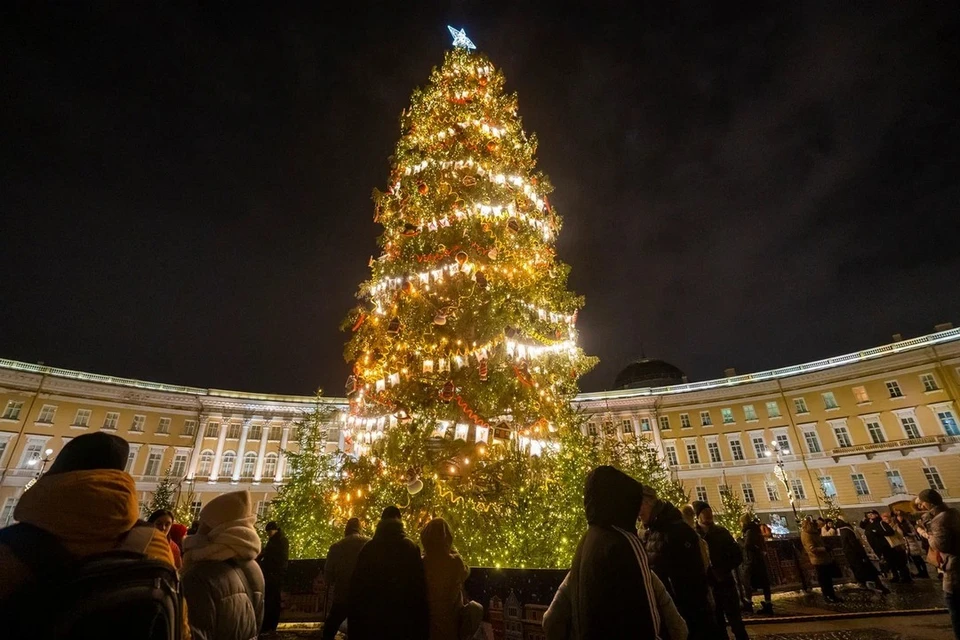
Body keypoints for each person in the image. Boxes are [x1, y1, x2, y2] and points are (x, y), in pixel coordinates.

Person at [0, 432, 187, 638]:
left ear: (59, 471)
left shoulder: (10, 546)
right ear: (118, 474)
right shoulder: (152, 542)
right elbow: (179, 626)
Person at [542, 466, 687, 640]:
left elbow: (551, 618)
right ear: (623, 501)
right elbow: (646, 612)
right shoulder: (625, 541)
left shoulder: (586, 540)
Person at [181, 489, 264, 640]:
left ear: (217, 526)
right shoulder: (254, 568)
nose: (199, 528)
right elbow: (256, 625)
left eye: (204, 522)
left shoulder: (199, 575)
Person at [348, 505, 429, 640]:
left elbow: (357, 589)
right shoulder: (410, 548)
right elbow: (418, 589)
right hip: (403, 619)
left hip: (374, 620)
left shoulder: (368, 549)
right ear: (400, 522)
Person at [642, 495, 714, 640]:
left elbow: (691, 580)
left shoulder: (676, 531)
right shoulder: (655, 530)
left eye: (639, 506)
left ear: (648, 503)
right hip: (673, 612)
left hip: (686, 614)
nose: (637, 513)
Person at [420, 518, 483, 640]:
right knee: (476, 608)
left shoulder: (421, 563)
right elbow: (465, 572)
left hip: (429, 626)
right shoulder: (455, 562)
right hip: (453, 625)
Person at [693, 500, 748, 640]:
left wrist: (723, 568)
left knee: (736, 622)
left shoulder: (721, 532)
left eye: (709, 511)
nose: (708, 515)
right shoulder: (694, 535)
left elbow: (737, 555)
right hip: (709, 586)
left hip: (725, 582)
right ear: (698, 515)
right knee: (718, 624)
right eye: (705, 512)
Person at [916, 489, 960, 640]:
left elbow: (942, 545)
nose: (920, 506)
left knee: (955, 609)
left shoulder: (939, 520)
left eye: (921, 502)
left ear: (928, 502)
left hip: (954, 569)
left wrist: (927, 535)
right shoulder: (954, 513)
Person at [322, 518, 369, 640]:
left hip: (342, 595)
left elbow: (328, 575)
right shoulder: (369, 544)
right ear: (360, 529)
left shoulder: (337, 547)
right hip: (363, 596)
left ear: (346, 530)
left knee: (330, 628)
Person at [835, 518, 889, 593]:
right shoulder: (848, 531)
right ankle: (878, 585)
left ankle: (864, 585)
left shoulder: (842, 532)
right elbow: (854, 544)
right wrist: (862, 554)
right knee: (869, 570)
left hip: (851, 555)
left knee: (860, 571)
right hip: (857, 555)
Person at [257, 520, 289, 637]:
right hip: (274, 575)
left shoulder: (277, 542)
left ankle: (269, 626)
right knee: (272, 601)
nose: (269, 534)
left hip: (273, 576)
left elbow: (274, 558)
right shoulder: (278, 541)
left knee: (272, 602)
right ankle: (270, 627)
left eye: (270, 531)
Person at [861, 510, 911, 583]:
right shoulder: (870, 524)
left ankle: (905, 576)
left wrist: (877, 532)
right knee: (891, 562)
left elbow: (890, 532)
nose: (870, 516)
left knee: (898, 561)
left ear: (877, 515)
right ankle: (895, 576)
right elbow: (862, 525)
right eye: (869, 515)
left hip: (889, 545)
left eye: (872, 514)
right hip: (882, 546)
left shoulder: (881, 523)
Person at [801, 517, 842, 603]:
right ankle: (828, 596)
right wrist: (824, 549)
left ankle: (831, 595)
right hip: (818, 559)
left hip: (823, 559)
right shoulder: (808, 534)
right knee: (824, 579)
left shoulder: (813, 533)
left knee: (827, 579)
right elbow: (812, 549)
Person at [741, 515, 773, 614]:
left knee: (748, 582)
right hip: (758, 559)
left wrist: (739, 541)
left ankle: (749, 604)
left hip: (752, 560)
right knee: (763, 582)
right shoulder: (755, 529)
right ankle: (767, 604)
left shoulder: (749, 531)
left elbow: (747, 545)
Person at [894, 510, 929, 578]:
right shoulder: (897, 525)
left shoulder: (907, 523)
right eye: (898, 517)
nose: (899, 518)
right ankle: (920, 571)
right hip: (905, 543)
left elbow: (914, 533)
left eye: (901, 516)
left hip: (912, 543)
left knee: (918, 558)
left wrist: (908, 534)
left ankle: (924, 572)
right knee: (914, 559)